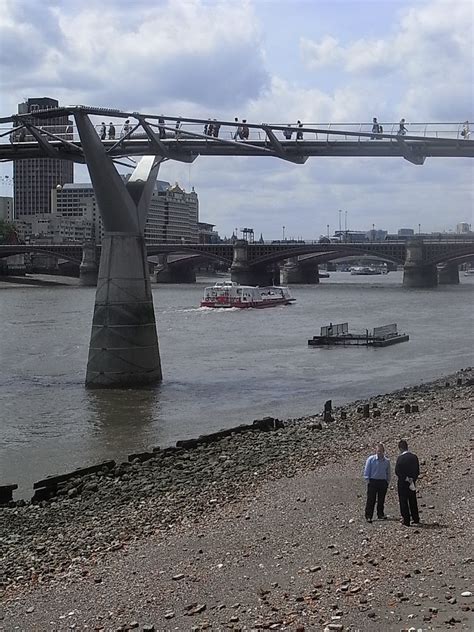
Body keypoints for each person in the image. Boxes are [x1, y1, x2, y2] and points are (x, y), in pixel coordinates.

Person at [363, 443, 391, 522]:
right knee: (371, 499)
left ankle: (380, 514)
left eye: (381, 451)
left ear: (383, 451)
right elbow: (367, 471)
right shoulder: (371, 459)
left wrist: (387, 482)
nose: (379, 452)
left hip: (382, 482)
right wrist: (368, 480)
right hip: (373, 481)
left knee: (381, 500)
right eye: (378, 451)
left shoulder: (386, 461)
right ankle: (368, 516)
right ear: (375, 451)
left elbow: (388, 472)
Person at [395, 439, 420, 527]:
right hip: (412, 482)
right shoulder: (414, 457)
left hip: (403, 483)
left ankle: (406, 520)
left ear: (400, 448)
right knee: (413, 500)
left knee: (403, 501)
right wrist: (412, 479)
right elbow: (417, 470)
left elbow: (397, 471)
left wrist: (405, 478)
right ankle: (416, 518)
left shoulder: (400, 458)